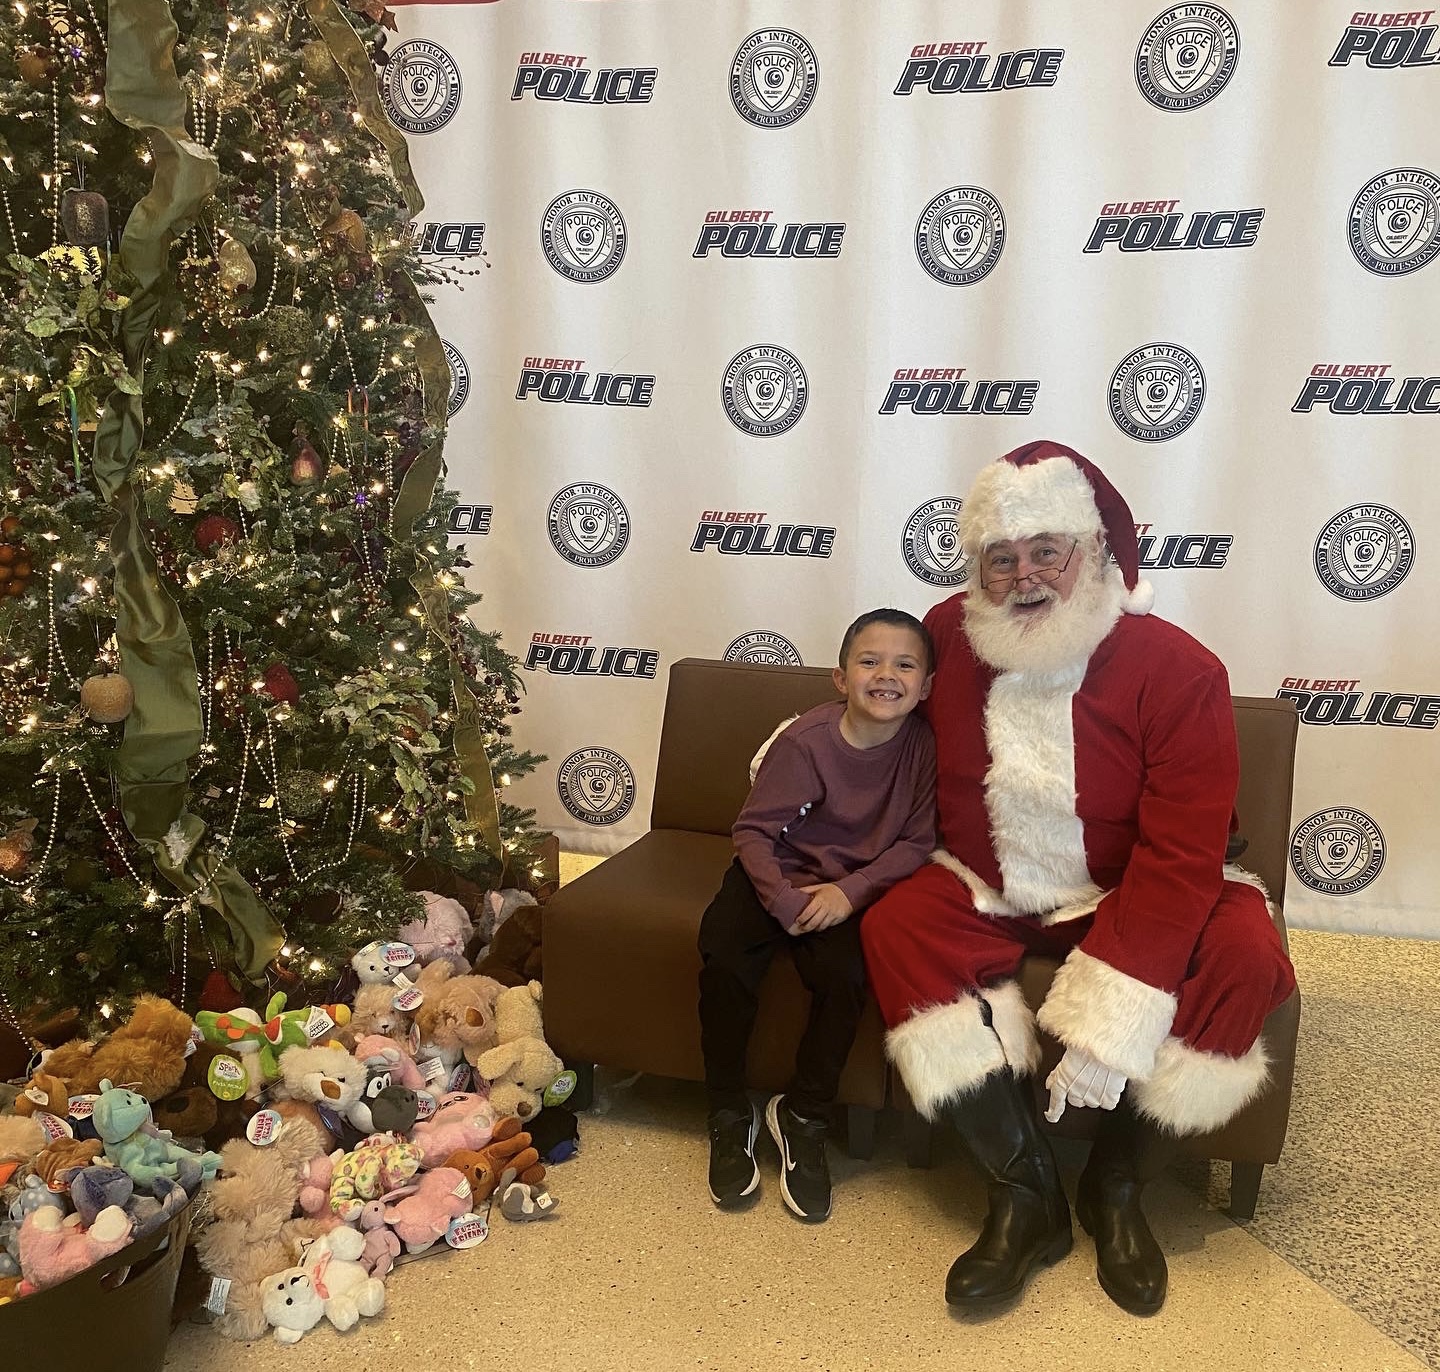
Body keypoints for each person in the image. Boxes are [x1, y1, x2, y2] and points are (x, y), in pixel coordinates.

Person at [861, 440, 1296, 1313]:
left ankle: (1117, 1184)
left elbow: (1181, 857)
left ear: (1093, 553)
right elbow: (875, 702)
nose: (1023, 576)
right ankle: (1026, 1194)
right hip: (986, 883)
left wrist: (1107, 1027)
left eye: (1045, 553)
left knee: (1247, 955)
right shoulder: (945, 635)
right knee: (895, 926)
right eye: (1001, 558)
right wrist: (801, 757)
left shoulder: (1181, 670)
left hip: (1128, 886)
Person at [698, 609, 937, 1221]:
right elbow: (751, 831)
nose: (887, 675)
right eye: (869, 661)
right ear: (840, 677)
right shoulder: (805, 740)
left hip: (848, 889)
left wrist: (850, 893)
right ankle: (728, 1110)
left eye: (905, 664)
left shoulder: (922, 748)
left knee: (849, 977)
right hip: (773, 874)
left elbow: (914, 843)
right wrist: (780, 900)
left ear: (927, 684)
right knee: (724, 954)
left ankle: (802, 1114)